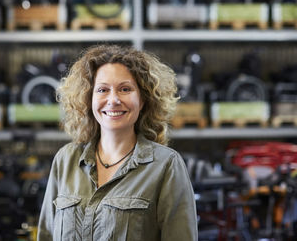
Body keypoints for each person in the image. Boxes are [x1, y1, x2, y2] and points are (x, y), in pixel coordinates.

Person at [37, 44, 198, 241]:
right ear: (89, 99)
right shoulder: (66, 160)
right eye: (103, 90)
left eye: (125, 89)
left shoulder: (166, 166)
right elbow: (46, 235)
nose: (113, 100)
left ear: (143, 99)